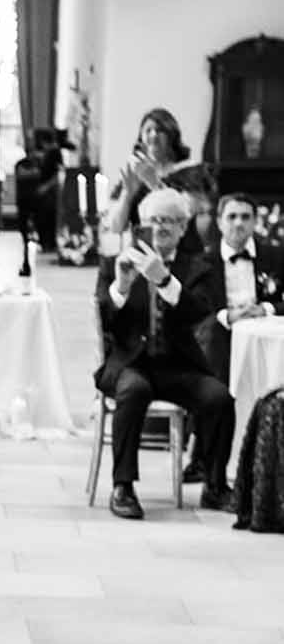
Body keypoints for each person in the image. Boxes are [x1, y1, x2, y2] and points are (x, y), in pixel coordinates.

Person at [95, 186, 234, 518]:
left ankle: (215, 487)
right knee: (133, 391)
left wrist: (166, 280)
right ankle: (123, 487)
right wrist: (122, 287)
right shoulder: (118, 263)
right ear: (141, 224)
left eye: (171, 221)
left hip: (180, 367)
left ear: (183, 228)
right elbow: (106, 322)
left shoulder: (199, 268)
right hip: (132, 363)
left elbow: (202, 312)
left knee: (220, 399)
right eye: (154, 220)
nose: (161, 227)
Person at [198, 189, 283, 384]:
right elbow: (197, 308)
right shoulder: (203, 262)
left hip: (266, 337)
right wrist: (227, 316)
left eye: (245, 217)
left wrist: (266, 309)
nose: (238, 223)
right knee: (212, 334)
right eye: (232, 217)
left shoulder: (276, 256)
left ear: (254, 222)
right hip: (222, 337)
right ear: (219, 222)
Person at [103, 107, 215, 242]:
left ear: (172, 135)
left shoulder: (192, 171)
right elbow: (116, 227)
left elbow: (188, 211)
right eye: (148, 130)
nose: (153, 135)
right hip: (142, 252)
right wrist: (127, 194)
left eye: (160, 130)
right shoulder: (133, 175)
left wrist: (154, 183)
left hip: (183, 253)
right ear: (141, 138)